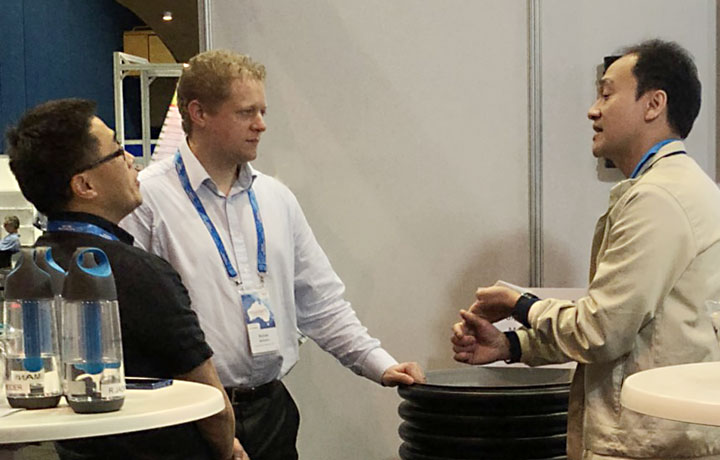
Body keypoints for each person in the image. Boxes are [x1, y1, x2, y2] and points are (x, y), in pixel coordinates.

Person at [120, 49, 425, 460]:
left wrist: (380, 365)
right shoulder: (148, 201)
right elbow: (140, 324)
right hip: (187, 418)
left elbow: (321, 303)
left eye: (262, 111)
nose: (261, 124)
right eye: (246, 112)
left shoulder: (276, 198)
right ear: (199, 113)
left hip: (272, 412)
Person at [452, 39, 720, 460]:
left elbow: (601, 331)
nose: (593, 110)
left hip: (649, 446)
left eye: (607, 94)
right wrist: (511, 346)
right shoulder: (681, 188)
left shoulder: (659, 198)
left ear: (654, 104)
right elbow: (622, 327)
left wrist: (520, 304)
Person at [6, 99, 247, 460]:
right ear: (85, 185)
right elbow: (213, 404)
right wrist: (229, 448)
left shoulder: (35, 269)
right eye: (118, 152)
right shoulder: (137, 273)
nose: (132, 160)